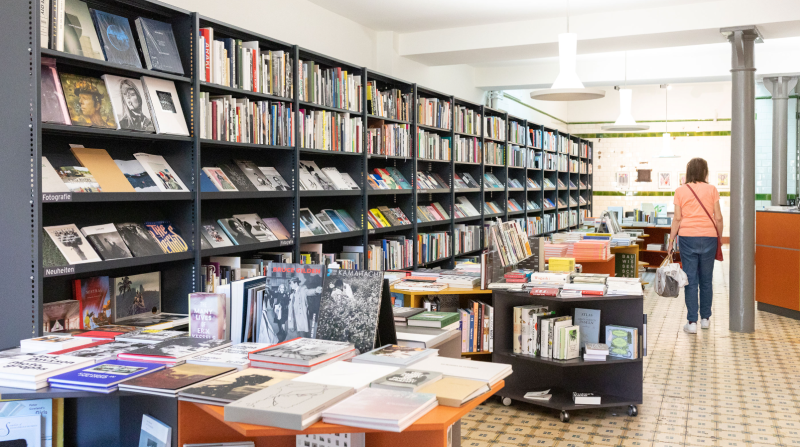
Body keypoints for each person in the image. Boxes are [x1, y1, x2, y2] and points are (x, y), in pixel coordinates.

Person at [668, 157, 723, 334]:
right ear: (705, 172)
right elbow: (719, 217)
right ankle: (705, 319)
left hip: (687, 238)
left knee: (690, 280)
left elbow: (677, 218)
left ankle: (692, 322)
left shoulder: (680, 191)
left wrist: (670, 241)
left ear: (689, 172)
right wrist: (718, 237)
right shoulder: (712, 189)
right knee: (707, 280)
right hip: (709, 237)